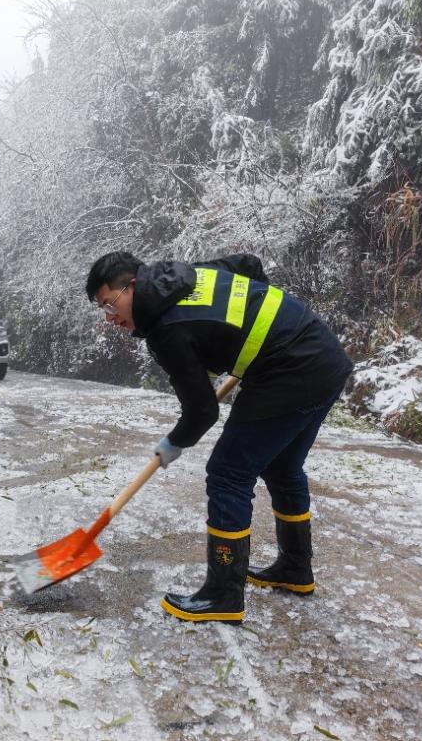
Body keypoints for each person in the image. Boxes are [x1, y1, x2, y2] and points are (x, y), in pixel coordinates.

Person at [86, 251, 352, 624]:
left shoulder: (166, 329)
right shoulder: (188, 276)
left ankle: (223, 594)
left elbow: (202, 411)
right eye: (103, 309)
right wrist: (259, 328)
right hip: (323, 354)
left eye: (109, 304)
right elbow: (249, 264)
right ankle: (295, 569)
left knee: (228, 473)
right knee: (282, 467)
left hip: (290, 369)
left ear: (131, 286)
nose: (110, 318)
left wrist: (173, 443)